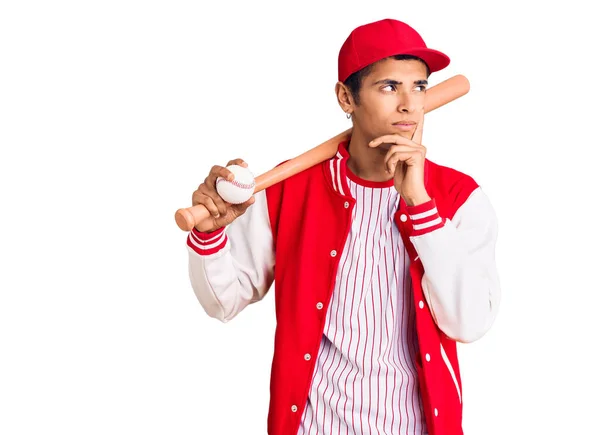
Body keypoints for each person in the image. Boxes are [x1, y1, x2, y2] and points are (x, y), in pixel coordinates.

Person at [185, 18, 501, 435]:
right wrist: (210, 233)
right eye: (389, 87)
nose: (409, 104)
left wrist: (420, 206)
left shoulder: (459, 196)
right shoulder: (288, 189)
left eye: (419, 87)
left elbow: (469, 322)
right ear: (345, 97)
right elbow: (223, 302)